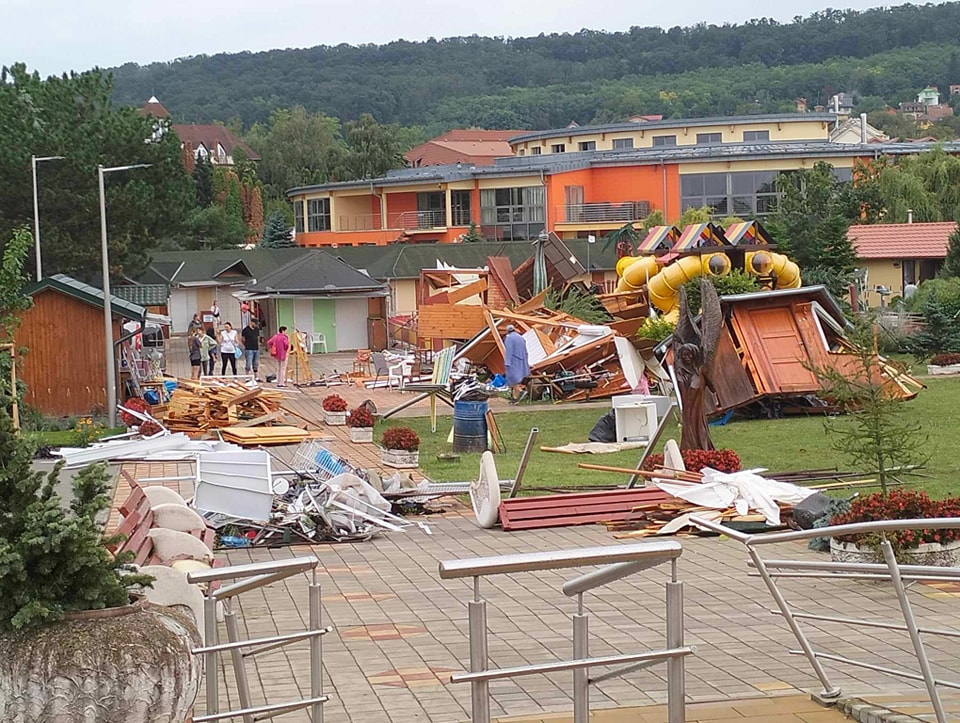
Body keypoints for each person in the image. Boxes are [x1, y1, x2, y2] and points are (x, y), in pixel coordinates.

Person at [503, 324, 530, 404]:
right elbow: (526, 351)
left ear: (507, 331)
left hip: (513, 361)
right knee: (517, 381)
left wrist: (507, 362)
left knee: (511, 379)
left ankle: (521, 392)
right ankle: (515, 399)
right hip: (522, 361)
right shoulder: (521, 338)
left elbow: (509, 351)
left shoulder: (509, 338)